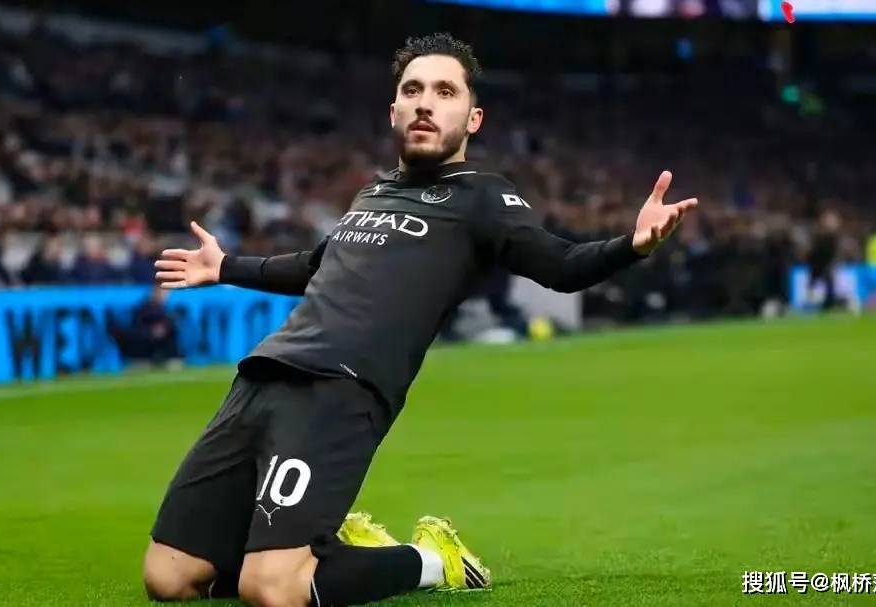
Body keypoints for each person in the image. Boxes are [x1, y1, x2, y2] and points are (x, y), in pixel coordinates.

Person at [145, 33, 698, 606]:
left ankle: (434, 561)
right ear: (394, 111)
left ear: (473, 119)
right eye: (412, 90)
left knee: (271, 590)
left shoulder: (483, 198)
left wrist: (632, 245)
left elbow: (561, 266)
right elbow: (314, 265)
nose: (425, 103)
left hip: (338, 391)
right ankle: (322, 554)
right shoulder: (373, 192)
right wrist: (226, 266)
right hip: (261, 377)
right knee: (169, 578)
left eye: (444, 91)